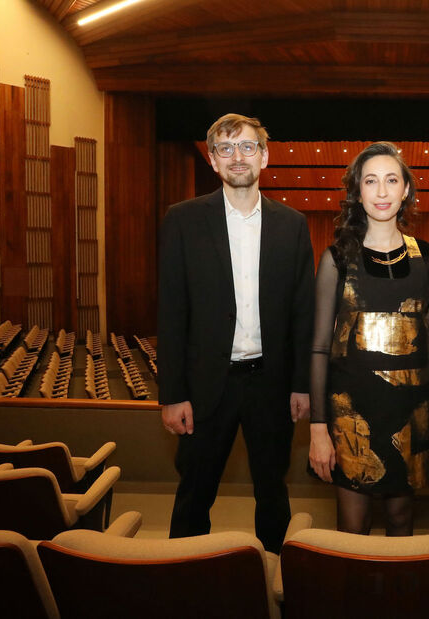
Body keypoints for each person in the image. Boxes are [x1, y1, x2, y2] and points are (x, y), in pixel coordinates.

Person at [158, 113, 314, 553]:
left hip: (271, 384)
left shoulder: (292, 224)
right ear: (212, 161)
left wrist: (301, 384)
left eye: (247, 147)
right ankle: (184, 579)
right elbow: (171, 312)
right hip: (207, 385)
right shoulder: (182, 220)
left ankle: (276, 583)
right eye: (226, 149)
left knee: (273, 495)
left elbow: (303, 313)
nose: (237, 157)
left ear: (264, 156)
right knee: (194, 495)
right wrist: (172, 394)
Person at [308, 142, 429, 536]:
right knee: (353, 528)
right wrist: (318, 428)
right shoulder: (337, 259)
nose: (381, 192)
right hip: (352, 416)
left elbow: (423, 326)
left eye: (391, 180)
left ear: (406, 190)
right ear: (357, 192)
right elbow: (319, 347)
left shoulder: (424, 255)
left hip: (410, 411)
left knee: (402, 521)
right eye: (371, 181)